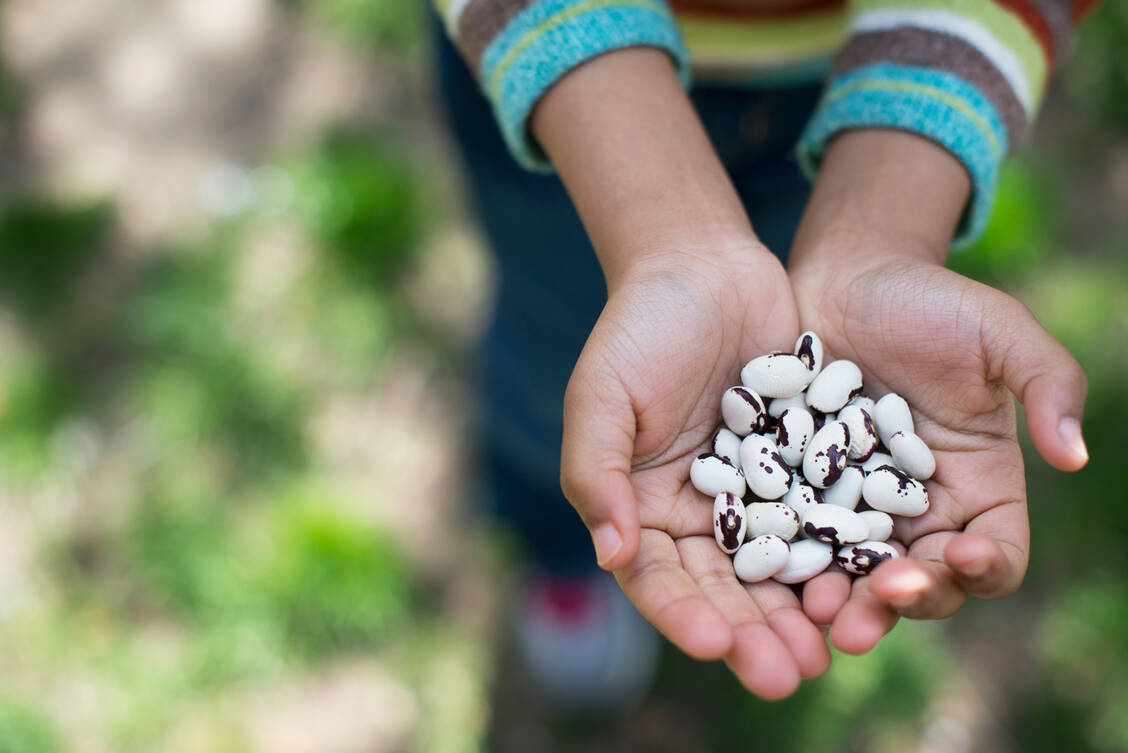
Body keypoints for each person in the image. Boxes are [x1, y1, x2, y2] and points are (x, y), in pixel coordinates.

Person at [432, 0, 1095, 706]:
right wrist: (668, 239)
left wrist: (878, 233)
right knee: (559, 382)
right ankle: (559, 548)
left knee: (758, 301)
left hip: (846, 93)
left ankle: (573, 534)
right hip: (555, 76)